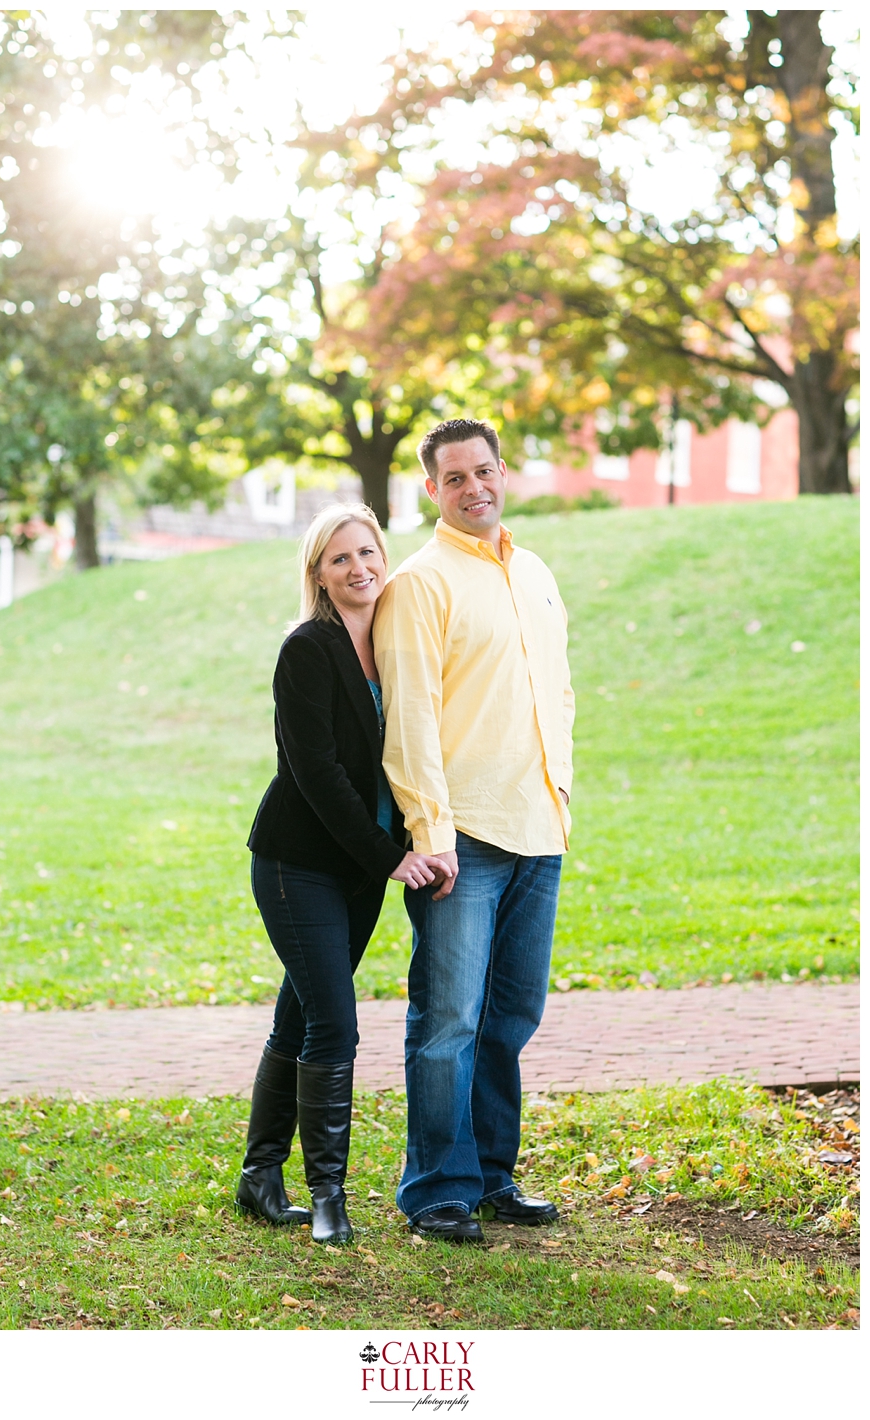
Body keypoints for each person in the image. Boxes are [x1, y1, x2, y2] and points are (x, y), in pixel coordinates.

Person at [373, 419, 575, 1243]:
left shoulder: (534, 572)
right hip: (464, 839)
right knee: (449, 1017)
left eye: (483, 471)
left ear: (503, 473)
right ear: (432, 489)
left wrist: (561, 793)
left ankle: (493, 1175)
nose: (474, 488)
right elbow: (410, 719)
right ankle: (437, 1192)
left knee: (510, 1016)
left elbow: (557, 693)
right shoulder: (420, 584)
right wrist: (431, 832)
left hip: (539, 827)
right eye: (454, 478)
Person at [238, 503, 451, 1245]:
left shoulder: (392, 645)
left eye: (367, 552)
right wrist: (392, 857)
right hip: (300, 866)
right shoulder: (308, 649)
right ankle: (328, 1195)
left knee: (300, 1015)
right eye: (340, 559)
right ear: (318, 576)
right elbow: (318, 773)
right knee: (335, 1020)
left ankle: (260, 1175)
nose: (359, 568)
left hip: (359, 871)